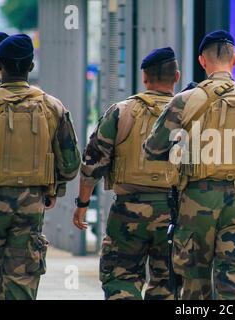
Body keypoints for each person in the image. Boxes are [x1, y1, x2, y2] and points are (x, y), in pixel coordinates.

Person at [143, 30, 235, 300]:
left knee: (195, 285)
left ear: (202, 61)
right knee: (233, 285)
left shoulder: (183, 101)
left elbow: (152, 149)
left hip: (197, 202)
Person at [74, 47, 181, 300]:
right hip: (175, 212)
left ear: (144, 78)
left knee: (121, 278)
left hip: (127, 212)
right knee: (168, 284)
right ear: (176, 77)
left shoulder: (121, 111)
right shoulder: (188, 113)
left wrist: (82, 203)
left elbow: (92, 163)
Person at [0, 34, 81, 300]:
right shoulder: (51, 106)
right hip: (31, 205)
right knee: (21, 278)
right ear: (31, 66)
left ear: (0, 65)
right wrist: (53, 187)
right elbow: (70, 164)